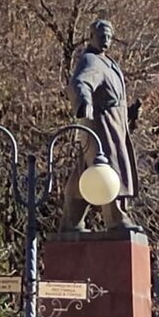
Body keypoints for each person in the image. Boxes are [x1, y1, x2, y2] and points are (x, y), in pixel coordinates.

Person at [61, 19, 141, 231]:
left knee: (87, 171)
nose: (105, 40)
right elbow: (80, 82)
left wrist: (128, 114)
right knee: (108, 168)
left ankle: (71, 220)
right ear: (92, 37)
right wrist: (83, 101)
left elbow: (112, 98)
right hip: (101, 127)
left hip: (114, 125)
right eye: (101, 36)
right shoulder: (91, 60)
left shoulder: (108, 62)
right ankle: (115, 217)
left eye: (108, 36)